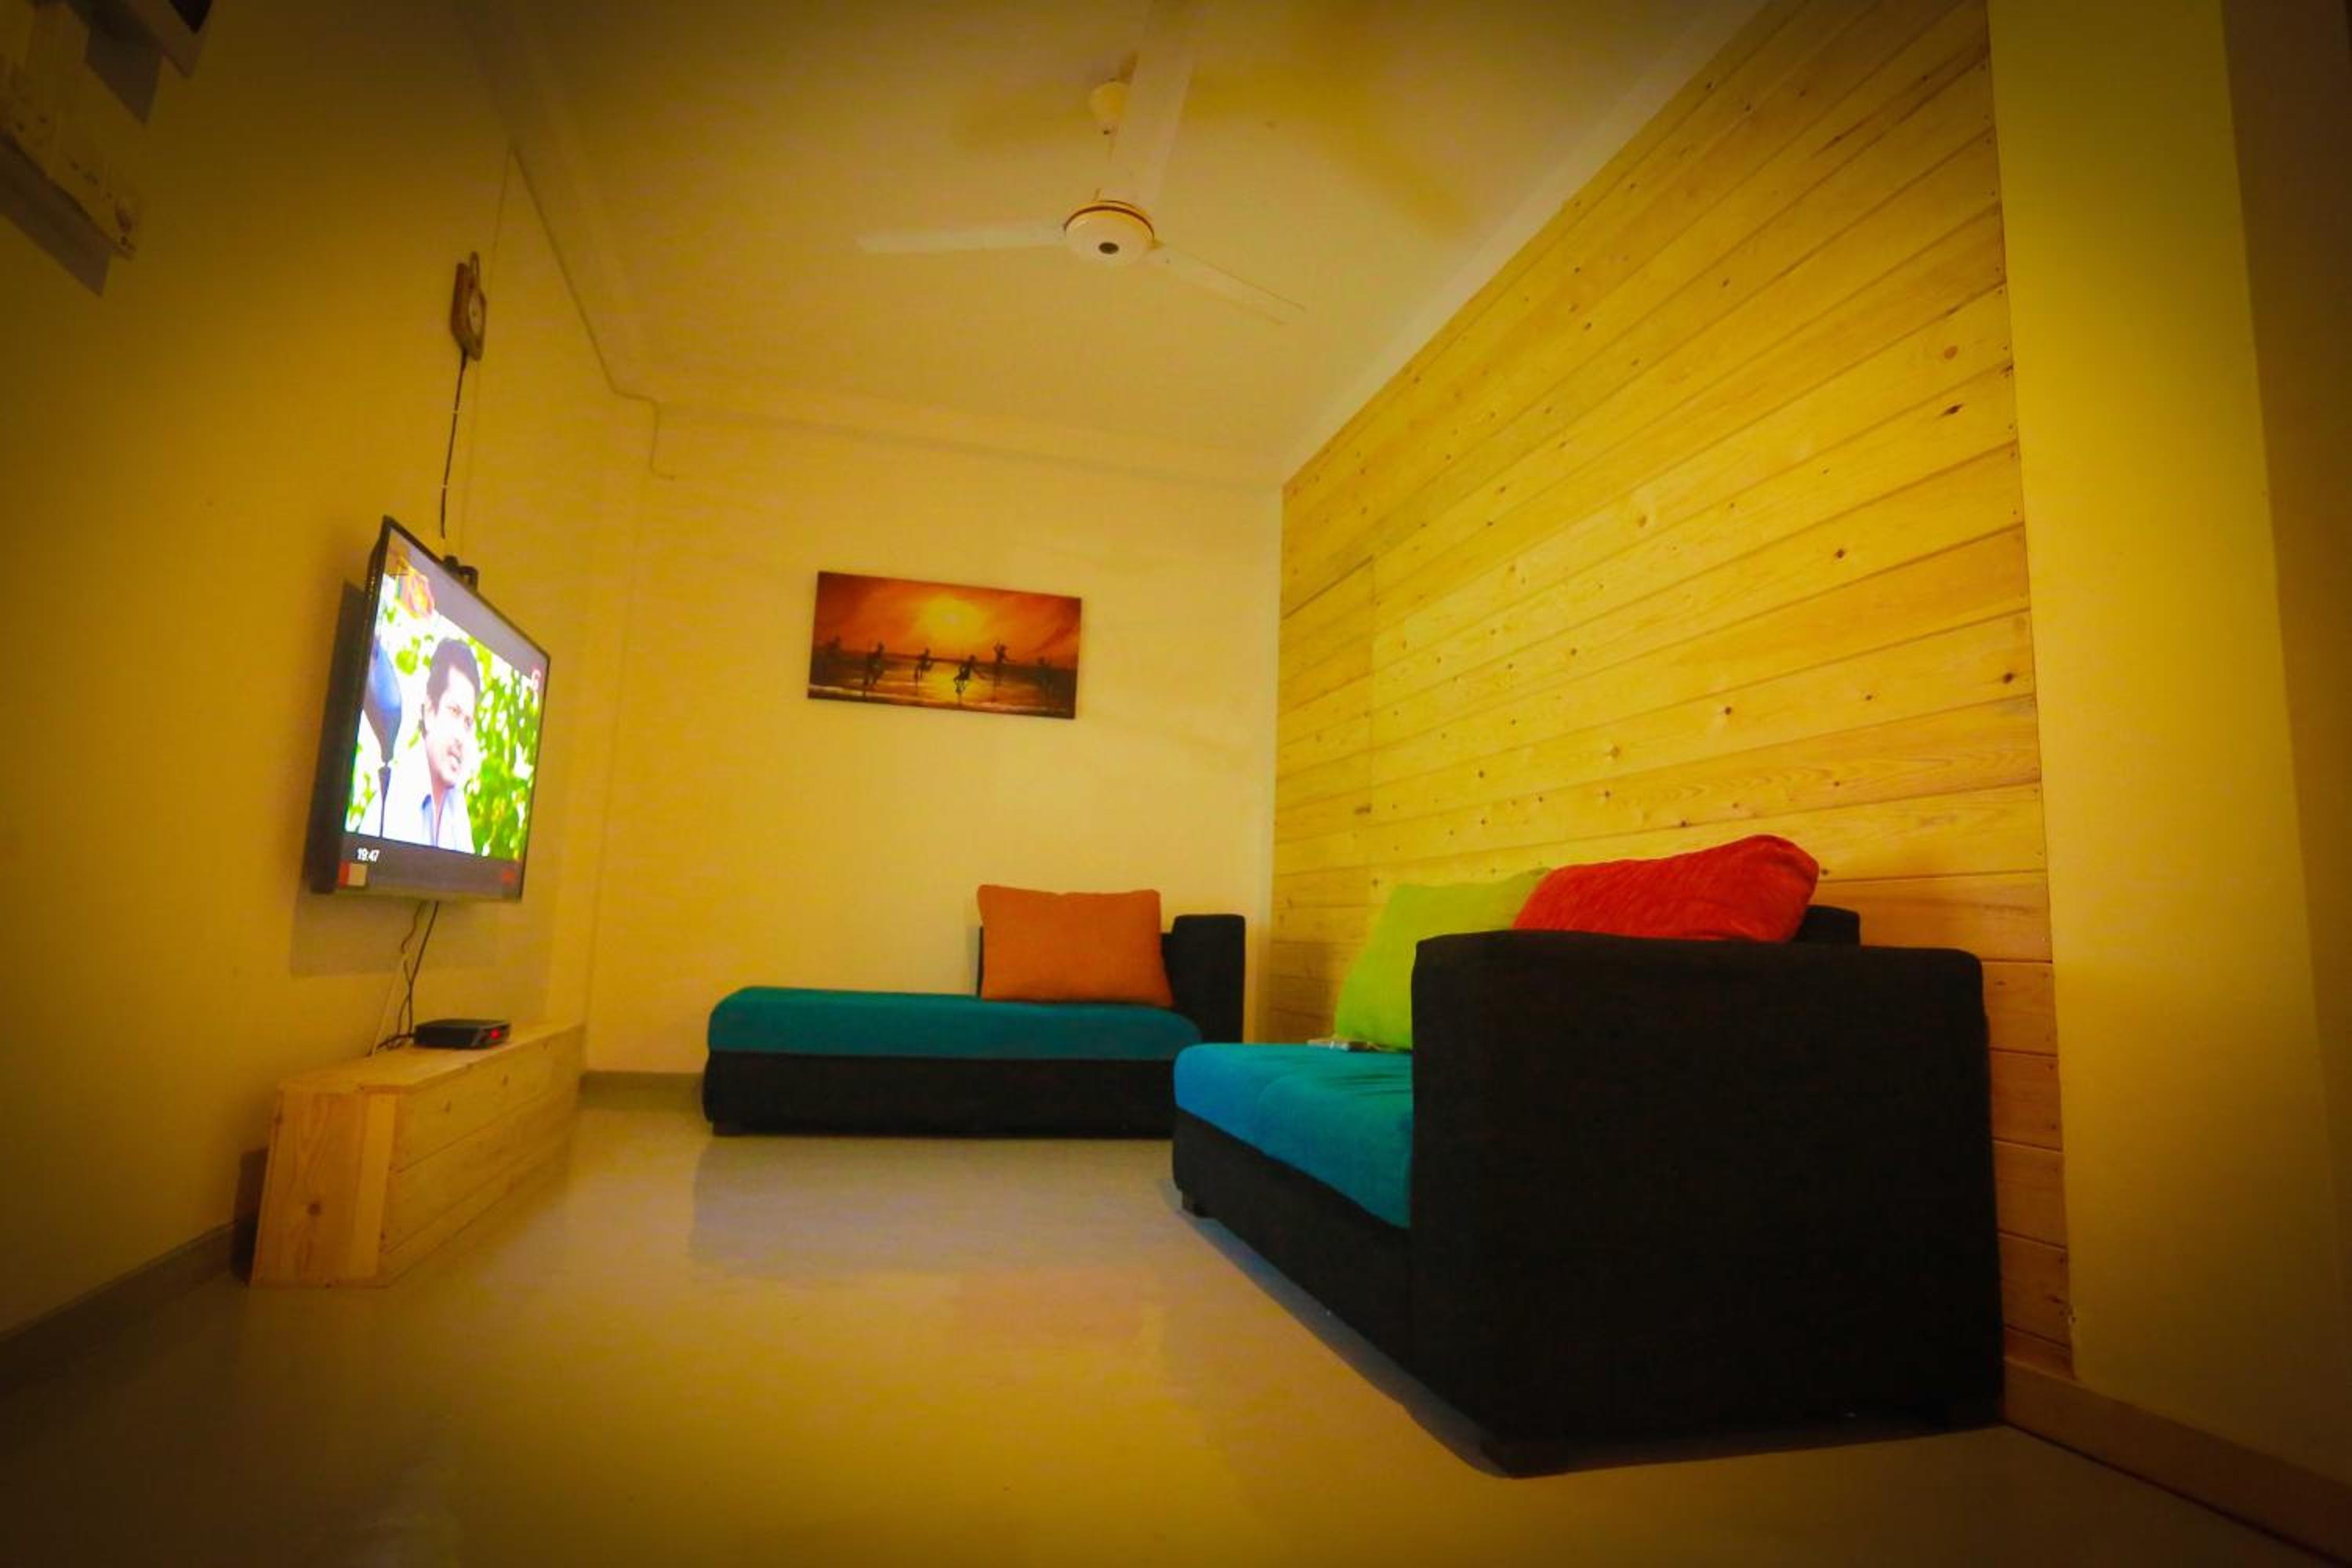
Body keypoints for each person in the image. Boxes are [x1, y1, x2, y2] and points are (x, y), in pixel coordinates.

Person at [385, 637, 480, 852]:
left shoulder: (456, 803)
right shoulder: (395, 796)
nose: (461, 737)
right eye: (454, 711)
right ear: (429, 712)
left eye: (467, 723)